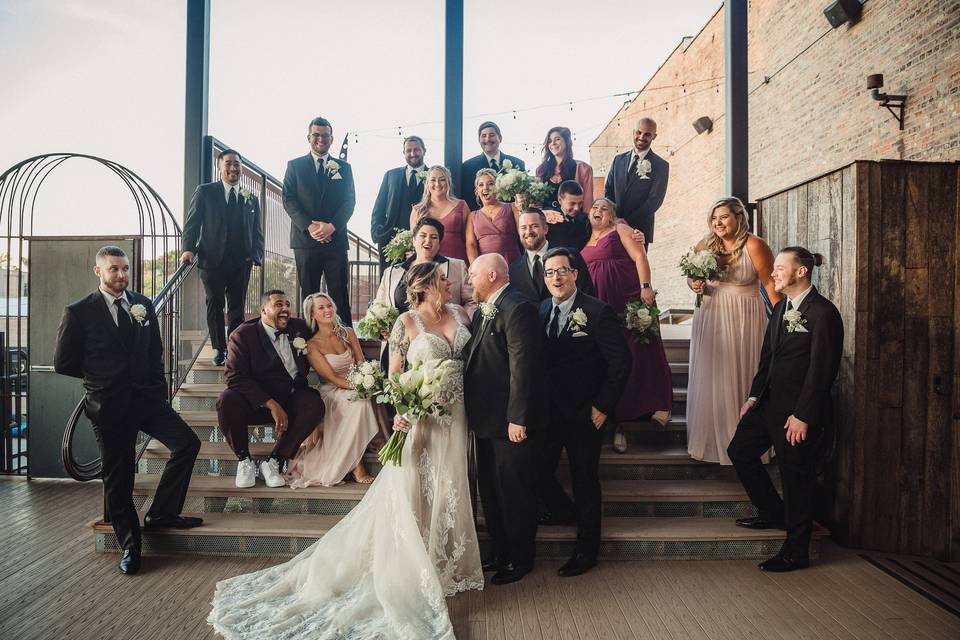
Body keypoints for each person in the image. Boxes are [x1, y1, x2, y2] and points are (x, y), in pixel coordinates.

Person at [208, 262, 483, 639]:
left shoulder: (460, 312)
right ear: (425, 285)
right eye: (443, 280)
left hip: (460, 411)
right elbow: (395, 372)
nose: (452, 283)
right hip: (422, 414)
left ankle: (448, 555)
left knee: (453, 479)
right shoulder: (405, 323)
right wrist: (402, 410)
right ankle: (413, 556)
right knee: (416, 482)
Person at [54, 246, 202, 575]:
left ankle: (162, 512)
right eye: (114, 270)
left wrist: (156, 390)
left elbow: (154, 351)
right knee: (120, 476)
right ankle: (131, 543)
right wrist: (102, 378)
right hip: (109, 405)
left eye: (125, 269)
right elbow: (63, 362)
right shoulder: (78, 312)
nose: (121, 275)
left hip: (147, 400)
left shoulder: (143, 304)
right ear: (99, 272)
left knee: (187, 443)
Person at [727, 247, 843, 572]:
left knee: (795, 479)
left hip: (797, 414)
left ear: (801, 272)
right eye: (775, 268)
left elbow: (822, 370)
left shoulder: (823, 314)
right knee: (740, 451)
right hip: (767, 405)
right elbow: (768, 358)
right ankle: (772, 512)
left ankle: (796, 551)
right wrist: (752, 397)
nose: (774, 273)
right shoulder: (780, 310)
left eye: (780, 268)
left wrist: (804, 414)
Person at [536, 247, 631, 577]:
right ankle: (565, 511)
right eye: (549, 272)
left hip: (585, 414)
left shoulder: (597, 311)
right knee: (537, 471)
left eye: (562, 270)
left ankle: (586, 550)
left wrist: (604, 406)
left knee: (584, 480)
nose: (556, 277)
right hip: (549, 414)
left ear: (575, 274)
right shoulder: (541, 309)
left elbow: (620, 363)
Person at [464, 253, 542, 585]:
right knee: (492, 492)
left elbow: (523, 367)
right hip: (485, 421)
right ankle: (499, 551)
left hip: (509, 422)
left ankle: (521, 558)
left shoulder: (517, 306)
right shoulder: (486, 309)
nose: (469, 281)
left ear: (492, 275)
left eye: (473, 275)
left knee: (515, 492)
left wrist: (518, 417)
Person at [686, 197, 780, 465]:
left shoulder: (755, 245)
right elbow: (692, 276)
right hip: (711, 313)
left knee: (742, 372)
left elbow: (772, 288)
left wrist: (785, 321)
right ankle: (712, 443)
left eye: (724, 217)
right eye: (714, 218)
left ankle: (744, 443)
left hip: (744, 316)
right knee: (713, 373)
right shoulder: (705, 245)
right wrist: (694, 284)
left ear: (739, 217)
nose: (718, 223)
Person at [581, 198, 672, 453]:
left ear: (613, 215)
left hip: (627, 297)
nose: (598, 211)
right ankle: (620, 414)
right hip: (601, 305)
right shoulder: (586, 240)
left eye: (604, 209)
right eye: (595, 208)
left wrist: (646, 287)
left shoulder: (620, 229)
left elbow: (639, 256)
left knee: (641, 349)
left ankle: (659, 403)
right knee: (612, 358)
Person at [215, 290, 326, 489]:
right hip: (256, 403)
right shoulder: (242, 335)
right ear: (263, 310)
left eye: (287, 304)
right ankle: (244, 461)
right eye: (278, 305)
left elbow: (327, 330)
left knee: (314, 403)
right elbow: (233, 376)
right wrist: (270, 403)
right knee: (227, 399)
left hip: (291, 398)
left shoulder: (299, 328)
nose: (285, 309)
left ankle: (275, 461)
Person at [284, 293, 380, 488]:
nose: (327, 310)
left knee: (359, 400)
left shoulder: (348, 333)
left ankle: (355, 462)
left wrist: (367, 380)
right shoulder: (312, 345)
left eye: (329, 305)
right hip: (331, 391)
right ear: (312, 314)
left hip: (355, 383)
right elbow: (333, 378)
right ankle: (357, 466)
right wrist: (360, 387)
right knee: (358, 401)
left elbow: (361, 362)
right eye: (321, 308)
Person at [181, 149, 264, 366]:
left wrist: (255, 256)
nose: (233, 168)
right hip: (212, 260)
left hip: (241, 262)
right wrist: (188, 249)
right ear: (220, 167)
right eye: (228, 163)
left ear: (241, 167)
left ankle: (235, 348)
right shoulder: (205, 192)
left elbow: (257, 231)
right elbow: (192, 224)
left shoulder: (251, 198)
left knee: (237, 306)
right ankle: (219, 348)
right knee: (214, 304)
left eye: (237, 164)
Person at [283, 116, 356, 325]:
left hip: (336, 240)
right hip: (305, 241)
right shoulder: (294, 166)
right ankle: (309, 342)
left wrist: (331, 227)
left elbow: (349, 202)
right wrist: (311, 226)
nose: (320, 139)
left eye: (325, 135)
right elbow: (288, 199)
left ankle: (346, 340)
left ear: (332, 139)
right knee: (309, 296)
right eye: (316, 135)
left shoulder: (344, 167)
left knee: (340, 294)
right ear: (308, 137)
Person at [375, 217, 475, 316]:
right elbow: (379, 305)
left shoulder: (457, 267)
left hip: (442, 331)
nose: (428, 241)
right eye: (423, 235)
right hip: (401, 329)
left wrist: (460, 323)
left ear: (439, 243)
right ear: (413, 241)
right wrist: (383, 326)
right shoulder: (391, 272)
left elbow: (472, 301)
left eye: (434, 237)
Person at [602, 117, 669, 249]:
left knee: (635, 269)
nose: (641, 137)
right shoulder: (618, 160)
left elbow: (655, 200)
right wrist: (614, 218)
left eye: (647, 134)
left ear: (654, 136)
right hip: (614, 226)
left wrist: (627, 222)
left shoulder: (661, 165)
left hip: (639, 230)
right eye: (639, 132)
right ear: (633, 132)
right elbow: (608, 191)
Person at [509, 208, 594, 303]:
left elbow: (588, 295)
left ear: (545, 229)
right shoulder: (513, 269)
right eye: (523, 228)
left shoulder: (570, 256)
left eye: (534, 226)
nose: (528, 232)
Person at [371, 136, 427, 274]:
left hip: (422, 242)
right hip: (391, 242)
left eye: (416, 150)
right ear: (404, 153)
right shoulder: (391, 175)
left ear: (424, 151)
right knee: (390, 286)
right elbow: (379, 207)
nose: (413, 153)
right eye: (408, 150)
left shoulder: (433, 176)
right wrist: (378, 233)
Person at [408, 165, 469, 263]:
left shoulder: (462, 205)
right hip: (427, 265)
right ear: (427, 184)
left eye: (442, 179)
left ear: (448, 182)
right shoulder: (417, 210)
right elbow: (414, 242)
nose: (437, 184)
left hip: (457, 263)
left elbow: (470, 240)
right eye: (433, 180)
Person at [460, 121, 526, 211]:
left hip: (512, 217)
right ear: (479, 140)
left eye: (492, 135)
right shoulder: (468, 167)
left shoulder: (517, 164)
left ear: (500, 138)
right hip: (481, 219)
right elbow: (468, 199)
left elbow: (523, 195)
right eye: (483, 136)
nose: (487, 139)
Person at [466, 168, 520, 264]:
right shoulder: (472, 216)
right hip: (485, 265)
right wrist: (474, 266)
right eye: (481, 185)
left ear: (498, 187)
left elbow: (523, 233)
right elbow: (471, 244)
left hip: (512, 262)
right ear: (477, 191)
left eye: (491, 184)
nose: (485, 188)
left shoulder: (512, 207)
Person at [535, 126, 594, 213]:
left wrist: (586, 223)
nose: (553, 143)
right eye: (550, 141)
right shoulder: (541, 170)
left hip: (573, 222)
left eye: (557, 139)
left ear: (567, 141)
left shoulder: (583, 168)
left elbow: (587, 203)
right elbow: (537, 201)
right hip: (546, 222)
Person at [544, 180, 590, 250]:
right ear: (560, 200)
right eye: (572, 203)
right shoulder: (547, 217)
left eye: (580, 203)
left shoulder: (586, 219)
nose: (577, 208)